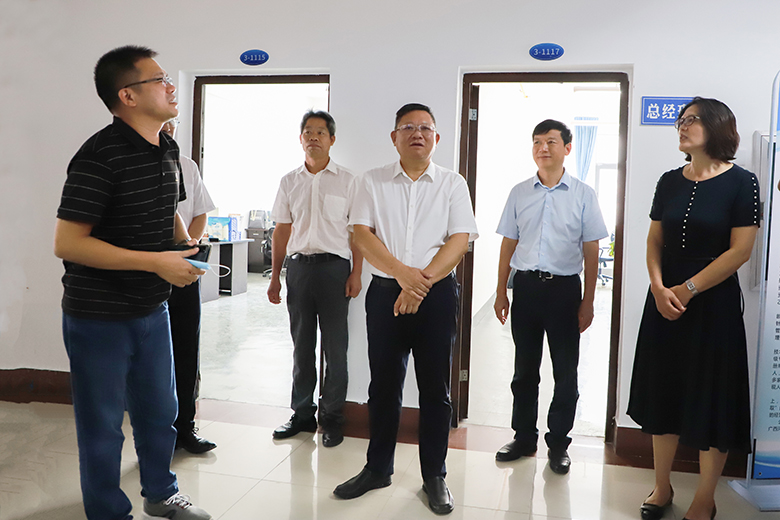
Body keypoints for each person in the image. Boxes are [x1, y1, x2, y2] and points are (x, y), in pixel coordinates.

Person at [54, 45, 211, 520]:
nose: (171, 87)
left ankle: (160, 493)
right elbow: (68, 243)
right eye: (160, 80)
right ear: (128, 95)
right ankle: (108, 511)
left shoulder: (167, 148)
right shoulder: (99, 155)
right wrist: (156, 263)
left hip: (151, 308)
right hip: (97, 315)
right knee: (103, 425)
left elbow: (168, 210)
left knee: (160, 411)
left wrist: (183, 244)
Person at [334, 103, 478, 515]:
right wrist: (402, 275)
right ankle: (377, 468)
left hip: (437, 295)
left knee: (436, 390)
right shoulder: (371, 181)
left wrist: (420, 284)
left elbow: (460, 239)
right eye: (408, 127)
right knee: (383, 386)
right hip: (385, 295)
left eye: (425, 128)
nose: (418, 133)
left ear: (437, 137)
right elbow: (361, 234)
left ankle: (434, 475)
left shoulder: (452, 183)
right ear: (394, 137)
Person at [627, 97, 759, 520]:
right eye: (680, 121)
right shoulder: (669, 181)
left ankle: (705, 499)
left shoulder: (743, 182)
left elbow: (740, 251)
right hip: (664, 298)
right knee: (662, 392)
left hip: (712, 303)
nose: (682, 126)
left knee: (712, 397)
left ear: (717, 126)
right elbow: (654, 240)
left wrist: (688, 289)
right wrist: (658, 286)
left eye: (691, 119)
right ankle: (661, 486)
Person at [493, 119, 607, 475]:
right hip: (526, 288)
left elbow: (591, 250)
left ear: (567, 148)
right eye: (537, 142)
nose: (543, 148)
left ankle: (558, 443)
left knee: (565, 371)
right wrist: (500, 291)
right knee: (524, 370)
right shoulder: (519, 192)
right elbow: (508, 243)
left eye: (551, 142)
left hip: (564, 291)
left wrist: (588, 301)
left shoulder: (584, 194)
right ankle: (523, 437)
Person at [268, 110, 362, 448]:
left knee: (335, 349)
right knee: (301, 346)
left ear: (332, 140)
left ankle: (332, 418)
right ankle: (302, 414)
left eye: (321, 132)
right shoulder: (289, 181)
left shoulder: (349, 181)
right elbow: (282, 230)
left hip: (335, 270)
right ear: (300, 139)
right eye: (308, 132)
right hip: (299, 270)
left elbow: (358, 232)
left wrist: (356, 272)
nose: (313, 137)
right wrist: (276, 276)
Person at [161, 119, 218, 454]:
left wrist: (188, 247)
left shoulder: (187, 165)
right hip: (149, 268)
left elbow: (199, 213)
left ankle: (186, 427)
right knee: (154, 355)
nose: (168, 128)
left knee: (186, 348)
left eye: (173, 124)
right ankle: (160, 433)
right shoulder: (130, 163)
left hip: (184, 267)